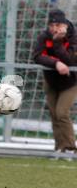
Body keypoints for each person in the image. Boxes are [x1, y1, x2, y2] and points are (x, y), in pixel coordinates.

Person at [33, 9, 77, 156]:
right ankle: (60, 148)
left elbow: (71, 60)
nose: (54, 28)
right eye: (51, 25)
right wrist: (56, 63)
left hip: (71, 83)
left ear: (64, 24)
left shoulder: (73, 37)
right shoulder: (44, 36)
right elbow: (37, 56)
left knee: (61, 113)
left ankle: (70, 148)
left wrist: (58, 42)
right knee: (54, 114)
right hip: (51, 81)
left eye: (57, 24)